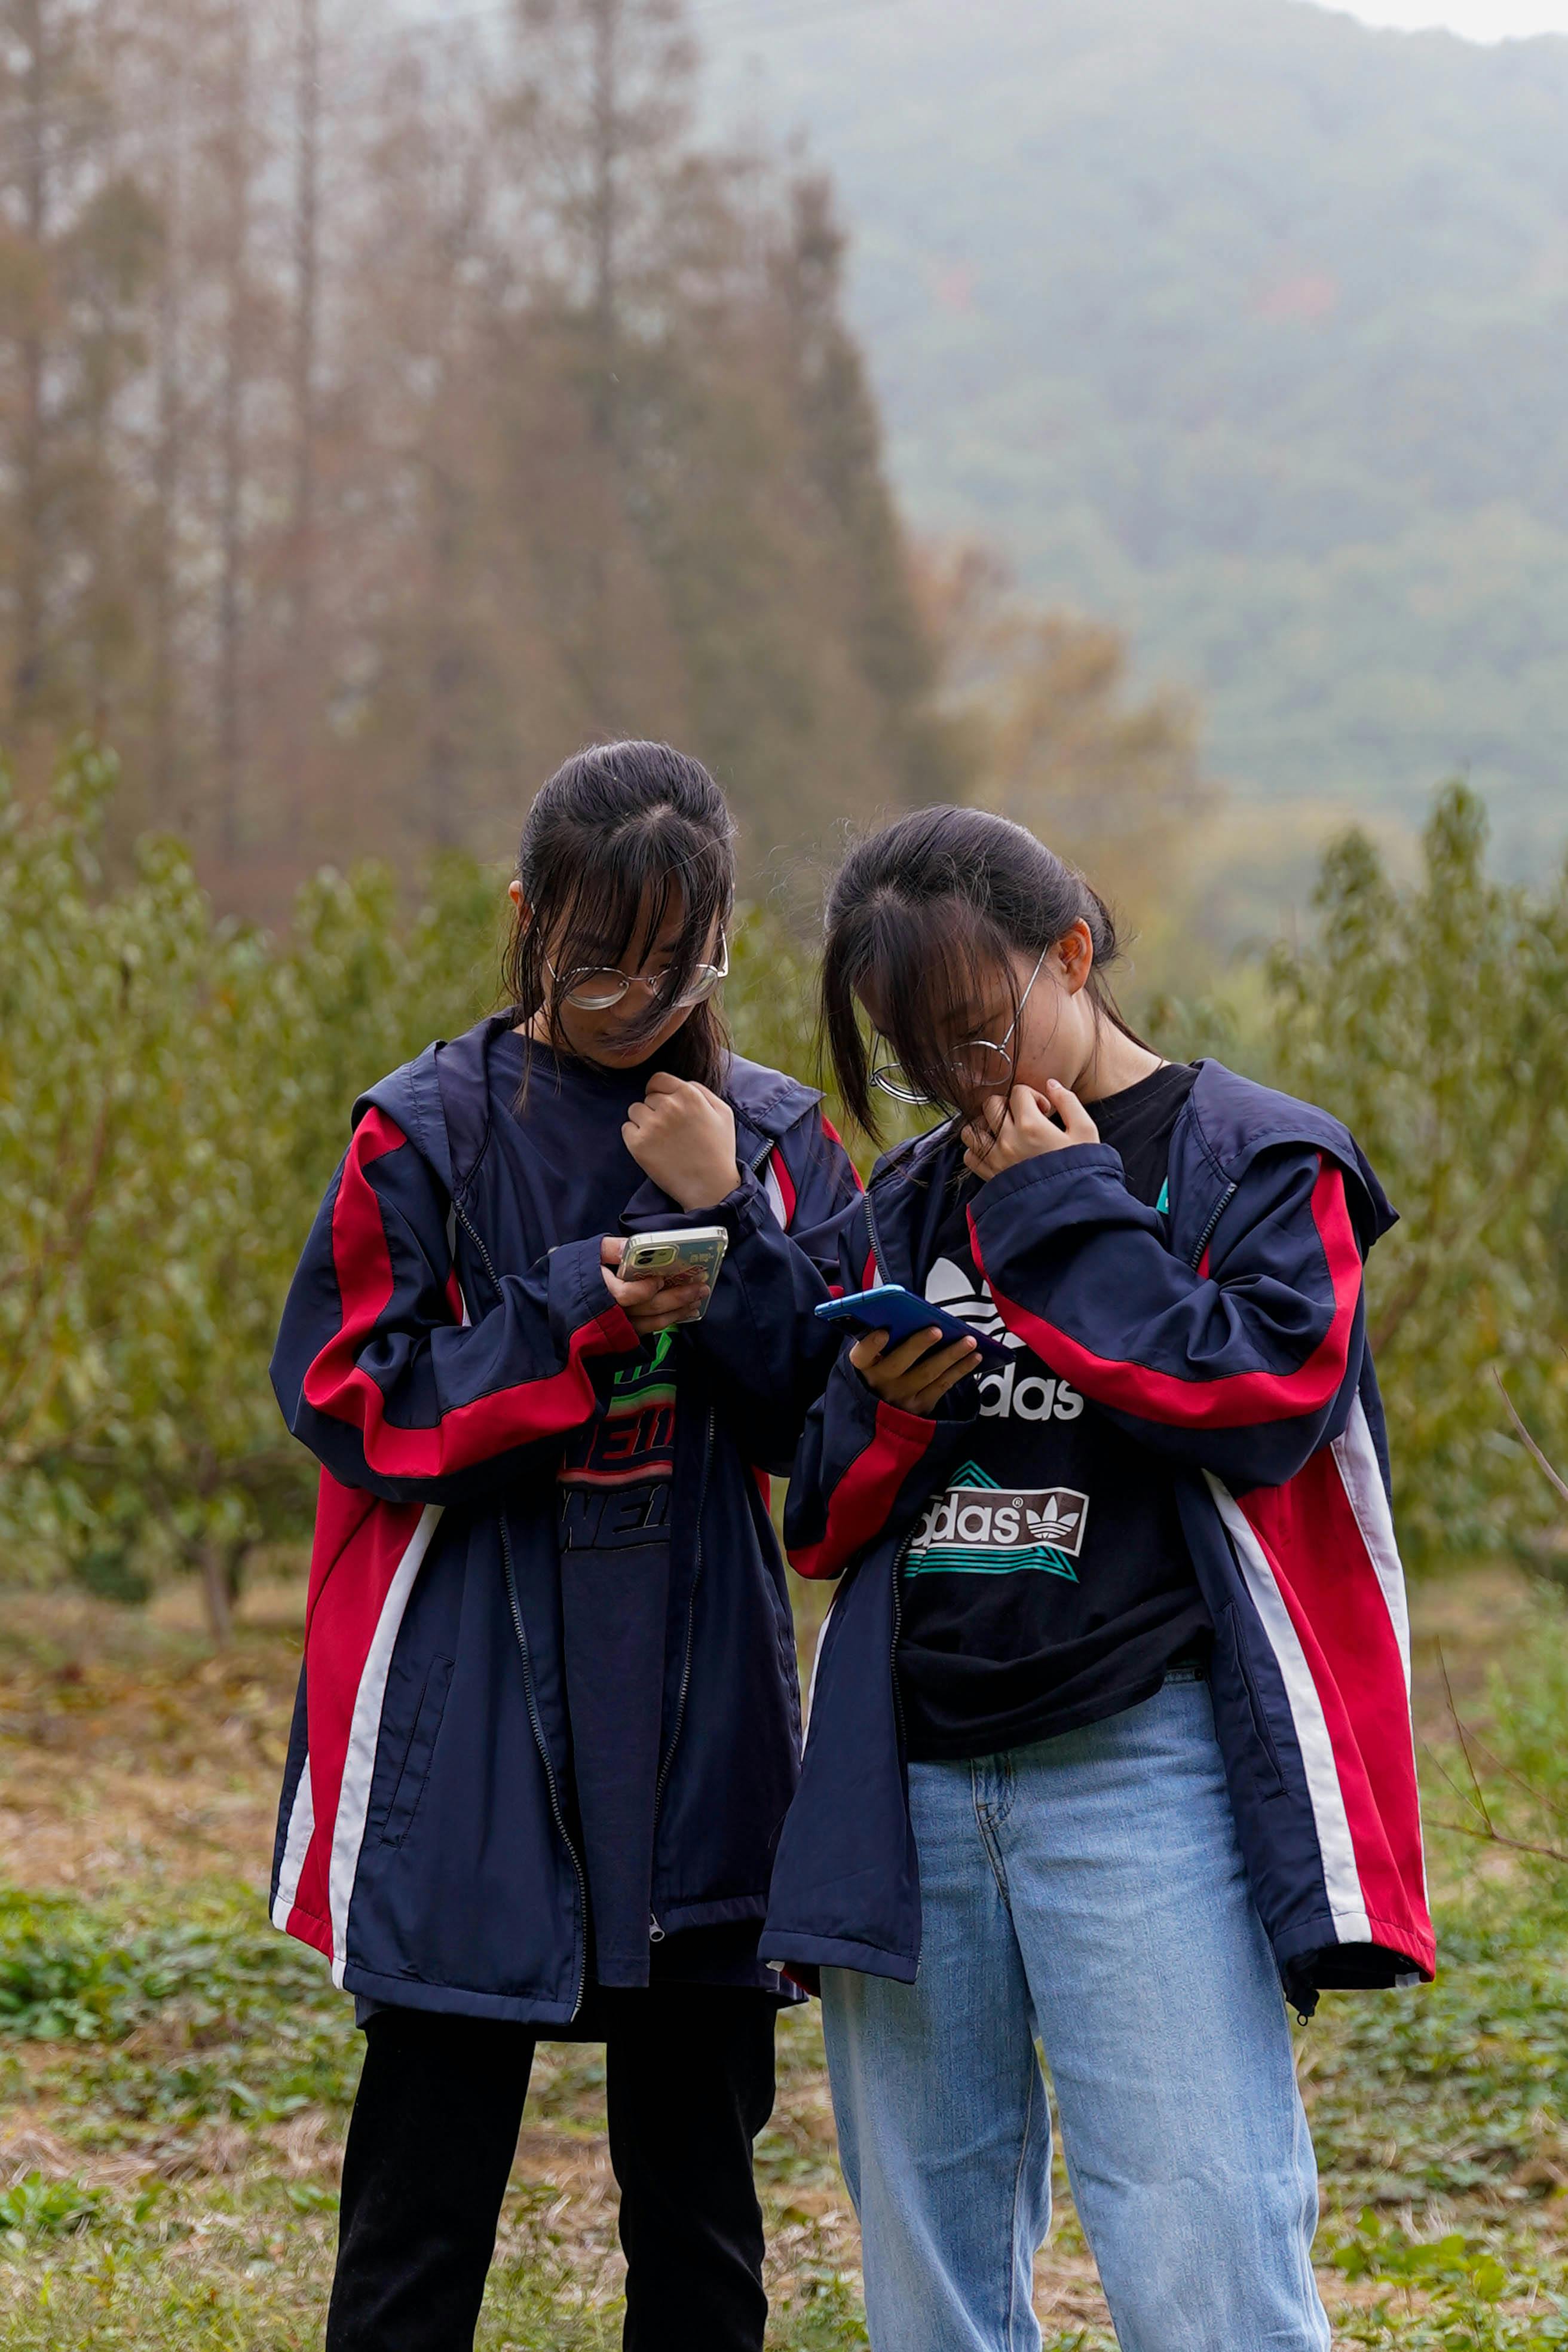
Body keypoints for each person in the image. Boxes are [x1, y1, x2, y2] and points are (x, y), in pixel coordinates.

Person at [760, 806, 1434, 2352]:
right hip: (916, 1774)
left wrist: (1064, 1218)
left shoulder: (1256, 1160)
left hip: (1146, 1762)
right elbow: (821, 1515)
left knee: (1202, 2239)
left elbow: (1262, 1401)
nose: (968, 1082)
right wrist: (892, 1402)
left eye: (981, 1027)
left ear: (1073, 953)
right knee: (927, 2266)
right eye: (922, 1058)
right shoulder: (916, 1197)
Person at [268, 741, 862, 2352]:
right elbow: (356, 1404)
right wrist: (570, 1311)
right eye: (601, 957)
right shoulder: (429, 1131)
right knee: (420, 2210)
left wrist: (732, 1218)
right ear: (529, 918)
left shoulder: (779, 1138)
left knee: (697, 2214)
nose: (636, 998)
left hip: (706, 1727)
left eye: (678, 962)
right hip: (481, 1723)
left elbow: (827, 1427)